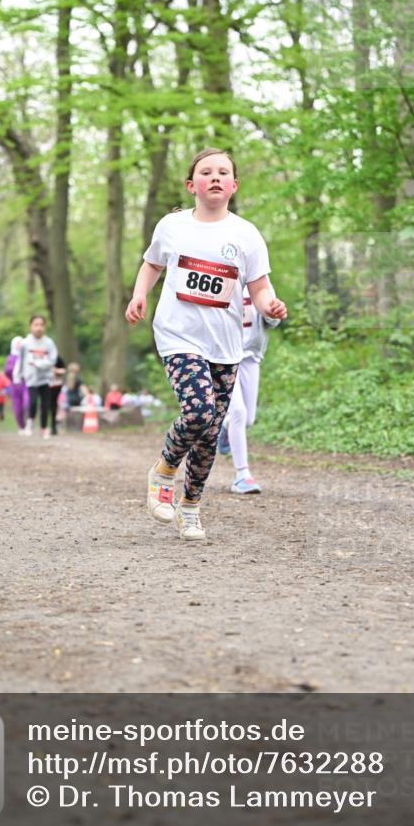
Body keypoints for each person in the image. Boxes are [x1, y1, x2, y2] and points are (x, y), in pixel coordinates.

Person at [125, 147, 287, 542]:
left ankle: (191, 506)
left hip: (227, 343)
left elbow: (259, 286)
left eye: (223, 173)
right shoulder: (173, 226)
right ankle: (164, 470)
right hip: (178, 334)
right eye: (206, 172)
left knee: (211, 431)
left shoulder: (246, 234)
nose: (214, 177)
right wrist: (139, 294)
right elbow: (152, 263)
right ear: (191, 184)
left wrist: (270, 305)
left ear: (233, 185)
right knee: (198, 411)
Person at [217, 284, 281, 493]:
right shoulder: (221, 276)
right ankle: (242, 475)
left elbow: (271, 320)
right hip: (224, 356)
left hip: (251, 356)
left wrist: (274, 313)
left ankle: (225, 427)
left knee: (248, 419)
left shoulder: (260, 280)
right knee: (238, 411)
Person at [13, 315, 58, 438]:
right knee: (32, 402)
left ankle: (44, 428)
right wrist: (17, 375)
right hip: (31, 379)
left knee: (46, 404)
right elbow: (20, 360)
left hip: (46, 378)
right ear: (31, 326)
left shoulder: (49, 343)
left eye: (41, 325)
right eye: (36, 325)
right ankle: (30, 422)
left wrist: (39, 364)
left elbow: (52, 360)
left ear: (44, 327)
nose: (39, 328)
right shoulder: (25, 343)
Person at [5, 336, 29, 432]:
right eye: (17, 343)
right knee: (17, 407)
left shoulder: (27, 356)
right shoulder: (11, 358)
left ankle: (29, 423)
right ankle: (21, 426)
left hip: (26, 383)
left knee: (27, 403)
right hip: (15, 384)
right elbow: (7, 372)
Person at [49, 355, 66, 435]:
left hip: (56, 385)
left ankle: (53, 426)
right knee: (46, 405)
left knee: (54, 406)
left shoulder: (57, 358)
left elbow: (63, 370)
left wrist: (55, 370)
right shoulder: (41, 357)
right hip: (44, 384)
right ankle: (44, 426)